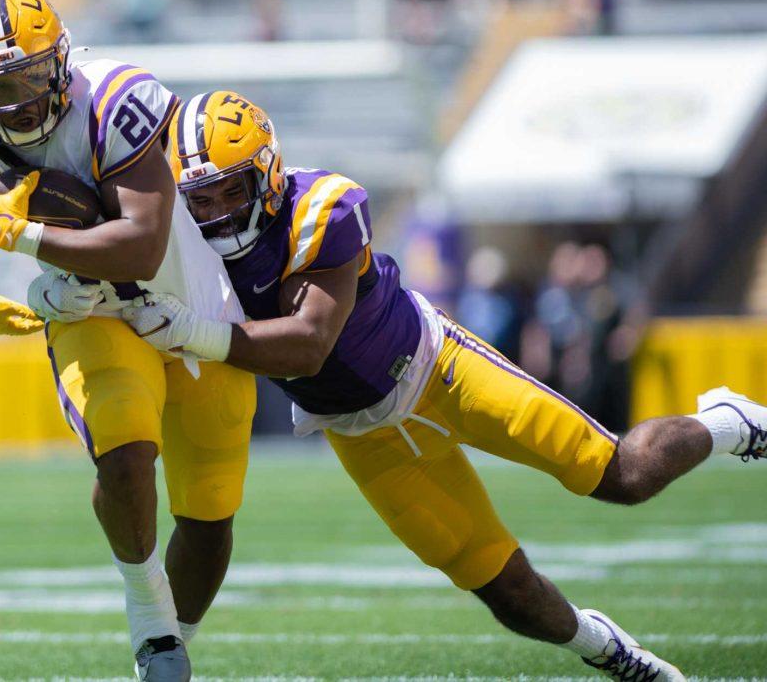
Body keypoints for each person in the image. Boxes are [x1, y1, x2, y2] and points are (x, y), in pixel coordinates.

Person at [118, 91, 766, 680]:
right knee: (506, 592)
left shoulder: (323, 208)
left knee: (620, 474)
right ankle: (614, 652)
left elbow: (310, 344)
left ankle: (729, 423)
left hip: (438, 370)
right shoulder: (185, 243)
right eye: (200, 199)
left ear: (271, 172)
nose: (216, 212)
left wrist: (192, 331)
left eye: (231, 191)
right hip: (360, 431)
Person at [0, 0, 255, 680]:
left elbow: (141, 247)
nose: (19, 102)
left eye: (31, 76)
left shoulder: (113, 103)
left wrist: (27, 235)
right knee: (124, 457)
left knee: (210, 515)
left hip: (192, 304)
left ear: (61, 59)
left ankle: (171, 636)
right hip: (90, 311)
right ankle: (150, 626)